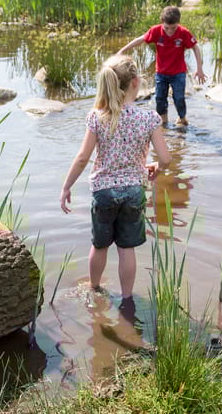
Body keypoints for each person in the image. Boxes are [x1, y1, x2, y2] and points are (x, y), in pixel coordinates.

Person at [60, 54, 172, 301]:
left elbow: (82, 158)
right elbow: (165, 158)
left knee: (99, 245)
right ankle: (127, 298)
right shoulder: (149, 118)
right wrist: (156, 168)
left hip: (103, 191)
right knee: (126, 248)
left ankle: (95, 288)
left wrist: (66, 186)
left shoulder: (97, 117)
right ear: (135, 82)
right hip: (133, 191)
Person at [118, 5, 206, 126]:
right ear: (162, 22)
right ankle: (163, 122)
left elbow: (195, 47)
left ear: (178, 23)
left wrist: (199, 68)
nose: (170, 31)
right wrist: (122, 50)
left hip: (178, 73)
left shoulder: (183, 33)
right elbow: (141, 39)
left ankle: (182, 118)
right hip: (161, 73)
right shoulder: (156, 31)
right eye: (167, 28)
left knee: (179, 98)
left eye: (173, 28)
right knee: (160, 98)